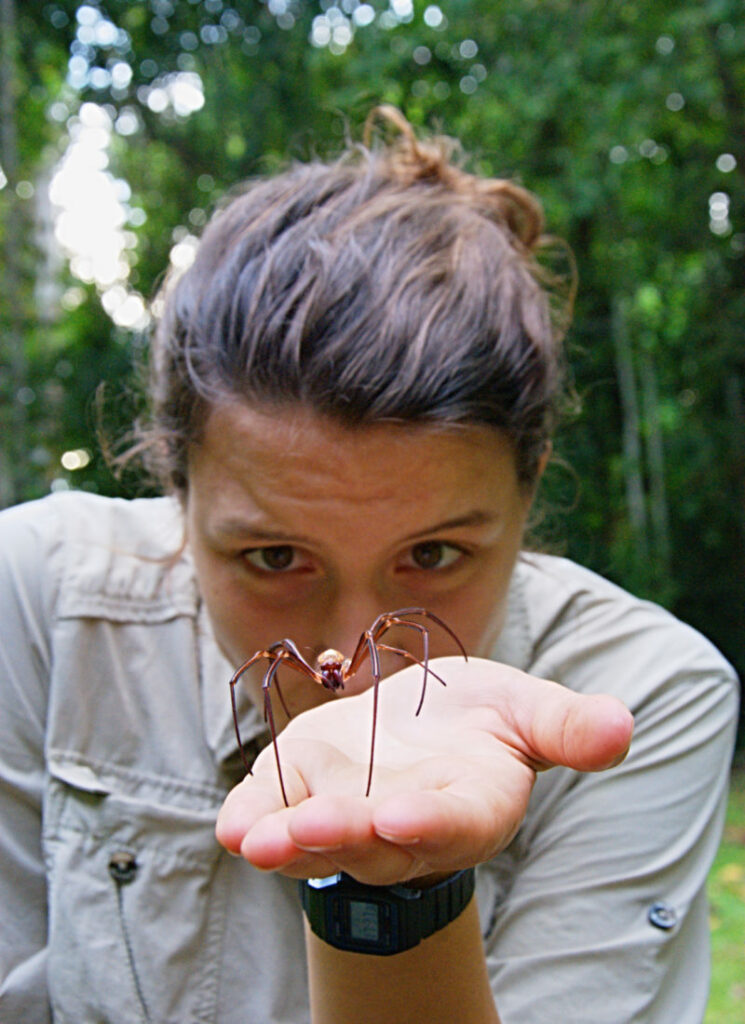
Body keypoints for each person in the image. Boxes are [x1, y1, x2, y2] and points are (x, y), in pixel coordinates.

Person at [0, 107, 738, 1024]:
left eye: (432, 554)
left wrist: (403, 891)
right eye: (275, 558)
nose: (353, 644)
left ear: (528, 491)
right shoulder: (33, 602)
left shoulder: (644, 691)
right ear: (176, 494)